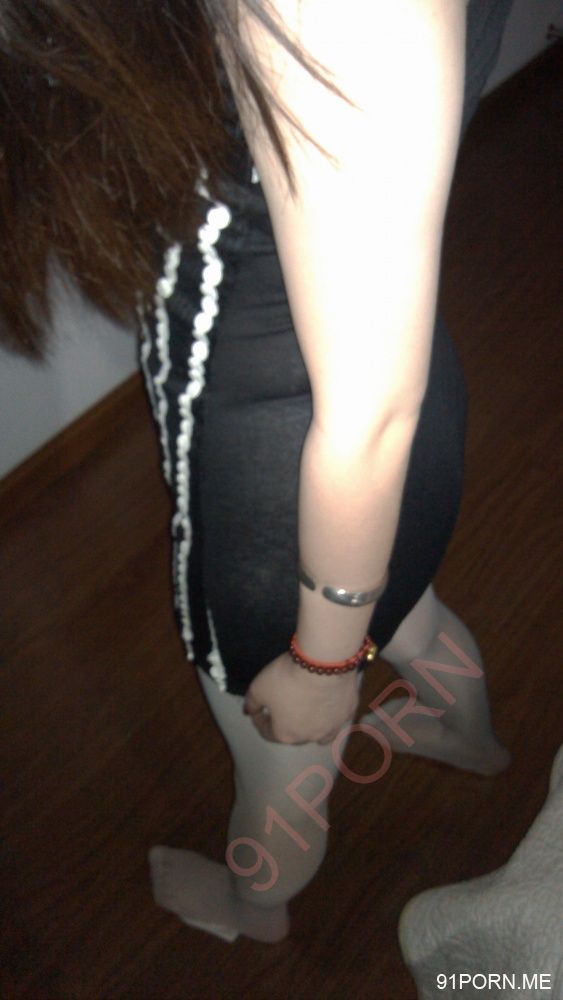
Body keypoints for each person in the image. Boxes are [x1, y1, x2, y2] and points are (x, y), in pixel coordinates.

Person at [0, 0, 513, 944]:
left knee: (284, 768)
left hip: (288, 467)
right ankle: (467, 736)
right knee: (407, 606)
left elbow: (367, 420)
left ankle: (255, 906)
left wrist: (324, 662)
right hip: (387, 394)